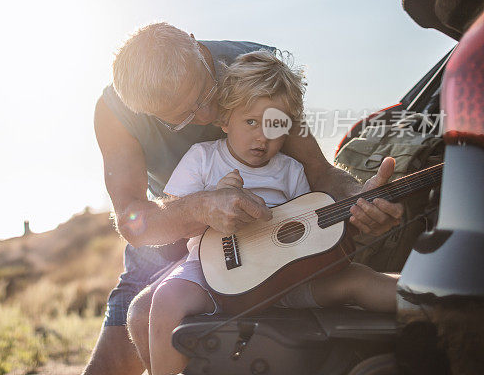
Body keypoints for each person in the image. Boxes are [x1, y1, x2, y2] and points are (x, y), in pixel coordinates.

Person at [85, 22, 403, 375]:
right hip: (165, 218)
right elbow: (134, 219)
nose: (208, 115)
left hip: (265, 232)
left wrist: (358, 198)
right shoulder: (115, 112)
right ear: (144, 112)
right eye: (183, 117)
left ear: (195, 44)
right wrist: (203, 206)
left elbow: (316, 171)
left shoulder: (258, 71)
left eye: (206, 92)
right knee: (136, 320)